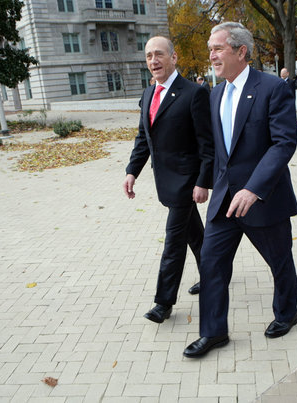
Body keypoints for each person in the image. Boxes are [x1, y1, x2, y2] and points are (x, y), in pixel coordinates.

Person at [183, 22, 297, 358]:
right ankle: (213, 332)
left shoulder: (273, 88)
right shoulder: (216, 93)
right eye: (210, 49)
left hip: (263, 199)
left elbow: (283, 143)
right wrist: (204, 180)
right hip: (223, 200)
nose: (211, 55)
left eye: (217, 48)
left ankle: (287, 313)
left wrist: (254, 188)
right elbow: (217, 149)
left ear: (241, 51)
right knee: (211, 264)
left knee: (279, 262)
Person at [123, 36, 214, 323]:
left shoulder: (194, 93)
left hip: (187, 181)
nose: (154, 61)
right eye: (149, 56)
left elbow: (206, 143)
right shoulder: (149, 94)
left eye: (159, 54)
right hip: (165, 180)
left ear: (173, 58)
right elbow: (143, 138)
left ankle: (163, 302)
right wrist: (131, 171)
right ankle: (213, 273)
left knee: (173, 242)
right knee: (194, 233)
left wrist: (203, 181)